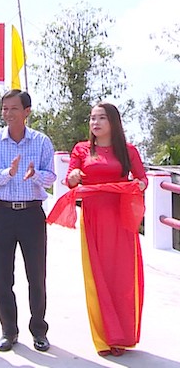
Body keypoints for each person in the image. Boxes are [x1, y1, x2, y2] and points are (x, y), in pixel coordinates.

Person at [64, 103, 147, 357]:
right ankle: (104, 337)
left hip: (121, 219)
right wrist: (74, 176)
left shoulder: (128, 151)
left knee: (122, 277)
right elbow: (69, 180)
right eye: (92, 118)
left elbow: (142, 179)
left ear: (113, 122)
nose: (95, 123)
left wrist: (139, 185)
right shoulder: (81, 149)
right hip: (94, 219)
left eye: (101, 118)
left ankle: (122, 336)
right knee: (97, 276)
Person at [0, 90, 56, 353]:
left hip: (31, 214)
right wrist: (8, 173)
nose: (8, 114)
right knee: (2, 277)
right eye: (5, 109)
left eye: (14, 108)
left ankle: (39, 330)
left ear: (27, 112)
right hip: (2, 214)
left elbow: (51, 178)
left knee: (36, 276)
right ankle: (8, 330)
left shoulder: (41, 141)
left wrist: (34, 175)